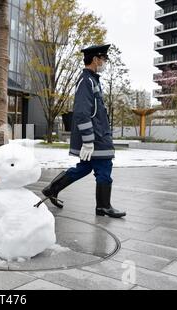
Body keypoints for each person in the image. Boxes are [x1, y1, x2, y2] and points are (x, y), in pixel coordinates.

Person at [41, 44, 126, 219]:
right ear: (95, 59)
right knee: (104, 168)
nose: (104, 62)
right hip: (96, 138)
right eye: (103, 59)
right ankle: (103, 206)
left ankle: (52, 188)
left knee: (85, 167)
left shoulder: (92, 80)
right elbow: (81, 113)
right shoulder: (86, 81)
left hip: (98, 136)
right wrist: (88, 140)